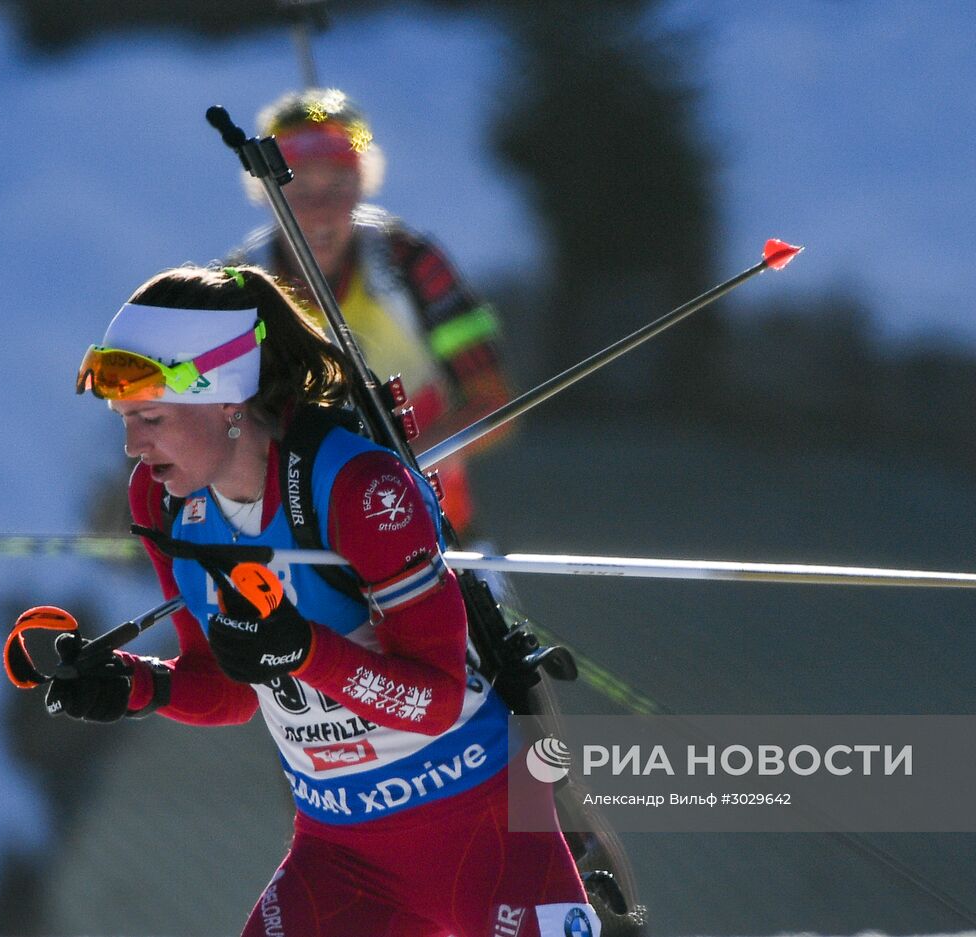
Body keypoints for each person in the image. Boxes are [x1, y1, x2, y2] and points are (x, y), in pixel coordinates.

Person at [48, 263, 601, 936]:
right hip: (341, 854)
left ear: (227, 399)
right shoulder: (161, 500)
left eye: (151, 417)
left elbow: (438, 699)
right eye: (125, 421)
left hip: (482, 829)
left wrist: (306, 650)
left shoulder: (359, 487)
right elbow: (231, 686)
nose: (134, 445)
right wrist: (133, 686)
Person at [228, 87, 513, 536]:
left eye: (339, 185)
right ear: (264, 193)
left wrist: (401, 459)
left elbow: (492, 402)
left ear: (364, 184)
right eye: (296, 188)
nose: (320, 213)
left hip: (431, 528)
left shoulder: (414, 264)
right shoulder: (236, 288)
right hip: (301, 542)